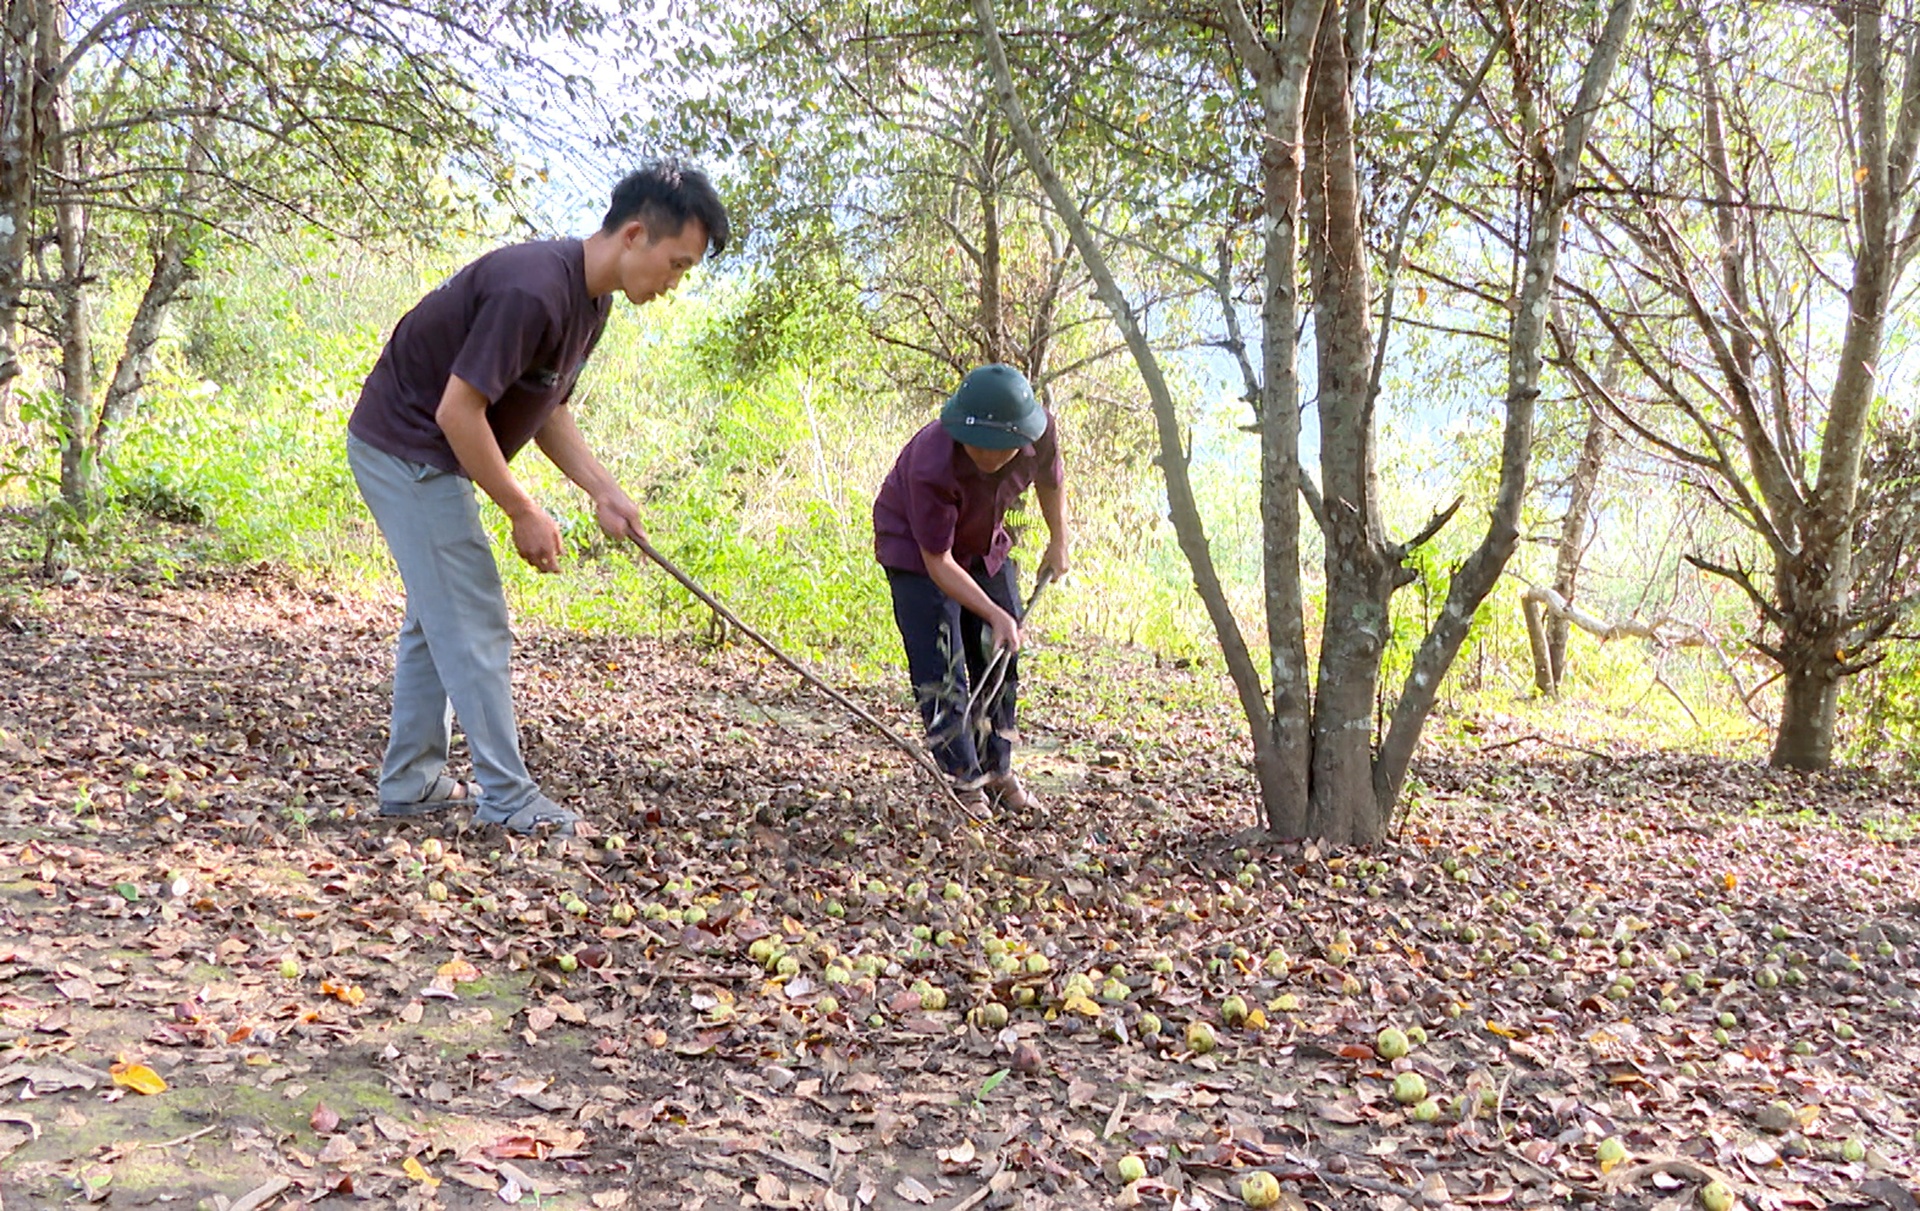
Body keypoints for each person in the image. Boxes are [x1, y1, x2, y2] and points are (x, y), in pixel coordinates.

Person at [345, 161, 729, 836]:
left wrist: (605, 492)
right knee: (474, 611)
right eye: (676, 264)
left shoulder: (592, 302)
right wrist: (523, 508)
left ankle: (412, 780)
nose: (673, 284)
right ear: (634, 234)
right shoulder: (533, 290)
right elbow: (458, 412)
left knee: (436, 617)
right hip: (404, 444)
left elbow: (549, 408)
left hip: (425, 448)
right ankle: (507, 796)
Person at [872, 364, 1070, 817]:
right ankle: (963, 782)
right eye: (974, 443)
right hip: (918, 554)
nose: (983, 453)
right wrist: (995, 613)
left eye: (995, 446)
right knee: (943, 665)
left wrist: (1059, 539)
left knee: (999, 652)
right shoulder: (931, 462)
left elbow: (1051, 480)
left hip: (984, 543)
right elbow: (938, 562)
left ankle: (997, 769)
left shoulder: (1038, 433)